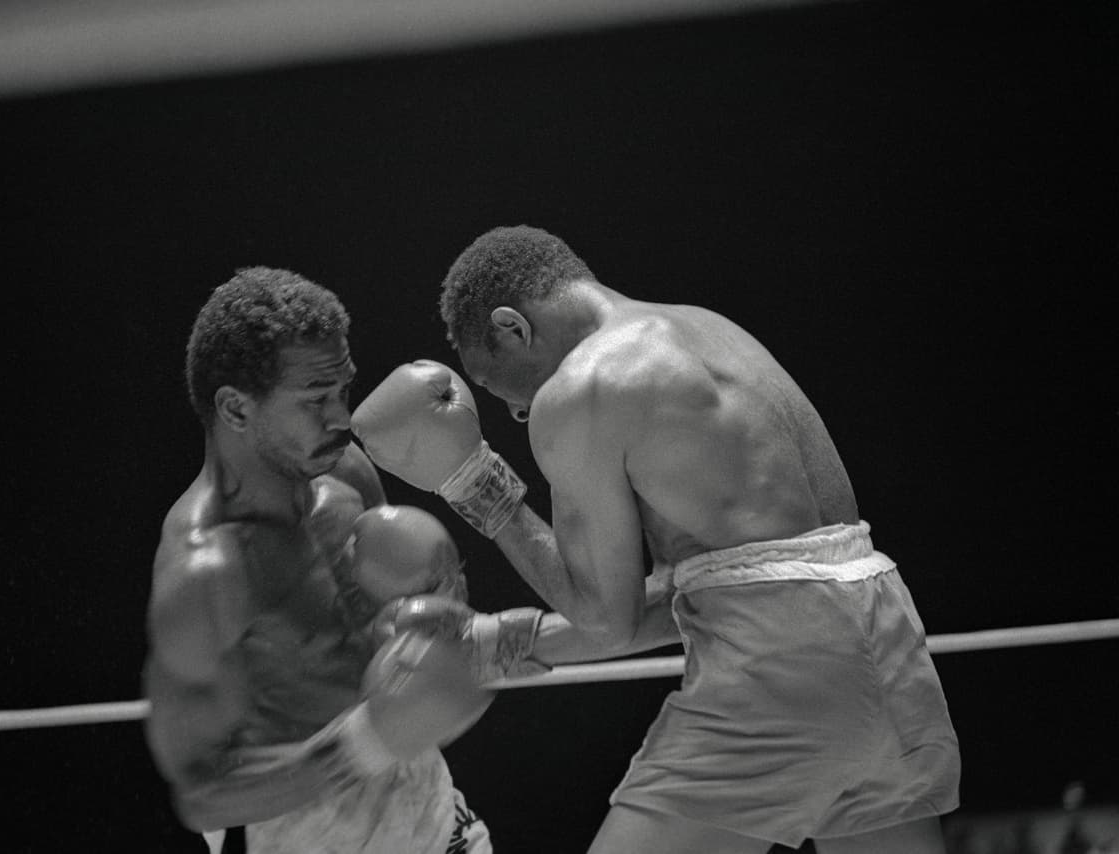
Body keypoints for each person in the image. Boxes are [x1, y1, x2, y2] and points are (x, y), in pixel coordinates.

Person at [350, 226, 962, 853]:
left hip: (781, 675)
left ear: (512, 328)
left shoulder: (585, 385)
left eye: (496, 384)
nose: (517, 411)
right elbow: (754, 579)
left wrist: (475, 481)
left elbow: (606, 619)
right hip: (891, 649)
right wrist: (506, 642)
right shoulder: (717, 332)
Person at [142, 267, 502, 854]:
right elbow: (201, 796)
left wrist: (437, 608)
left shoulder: (347, 473)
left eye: (342, 390)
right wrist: (367, 744)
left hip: (436, 820)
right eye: (315, 399)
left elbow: (377, 636)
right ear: (235, 409)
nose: (341, 418)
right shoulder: (206, 573)